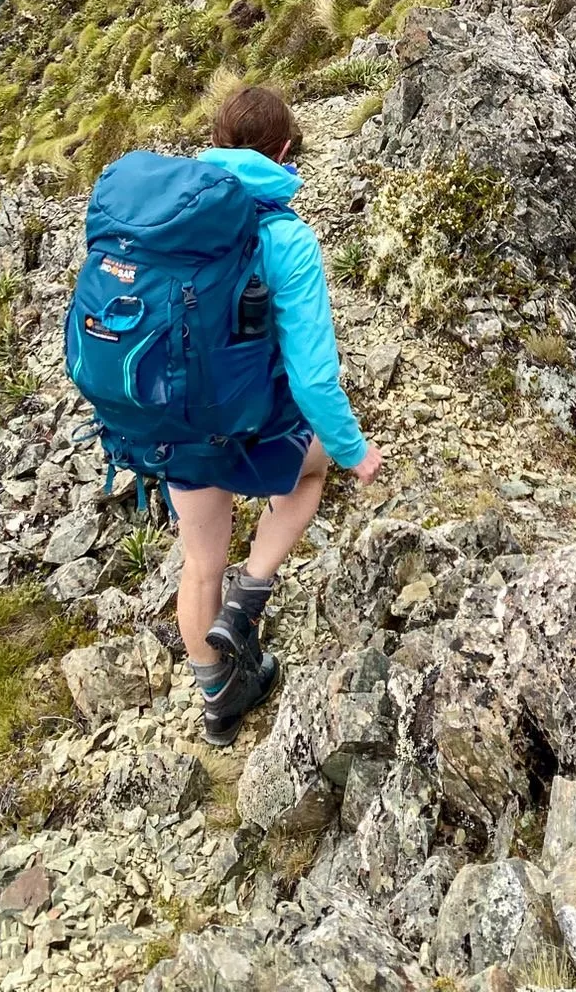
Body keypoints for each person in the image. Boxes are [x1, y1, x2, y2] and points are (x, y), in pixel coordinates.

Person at [172, 83, 381, 744]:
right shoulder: (285, 236)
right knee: (312, 472)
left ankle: (219, 702)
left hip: (174, 423)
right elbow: (315, 377)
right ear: (285, 150)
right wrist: (354, 450)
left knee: (199, 563)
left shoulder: (170, 217)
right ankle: (251, 595)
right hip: (251, 423)